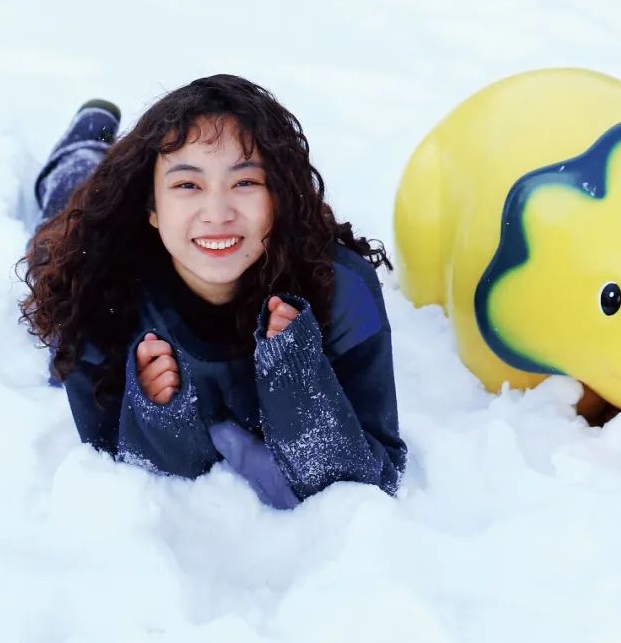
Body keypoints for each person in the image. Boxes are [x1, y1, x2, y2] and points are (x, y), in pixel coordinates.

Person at [21, 74, 407, 510]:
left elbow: (375, 480)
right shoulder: (91, 284)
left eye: (245, 183)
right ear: (151, 206)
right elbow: (112, 469)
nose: (218, 213)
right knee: (67, 206)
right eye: (188, 185)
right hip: (94, 235)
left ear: (277, 196)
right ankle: (84, 142)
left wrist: (298, 383)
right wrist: (157, 412)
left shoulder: (340, 287)